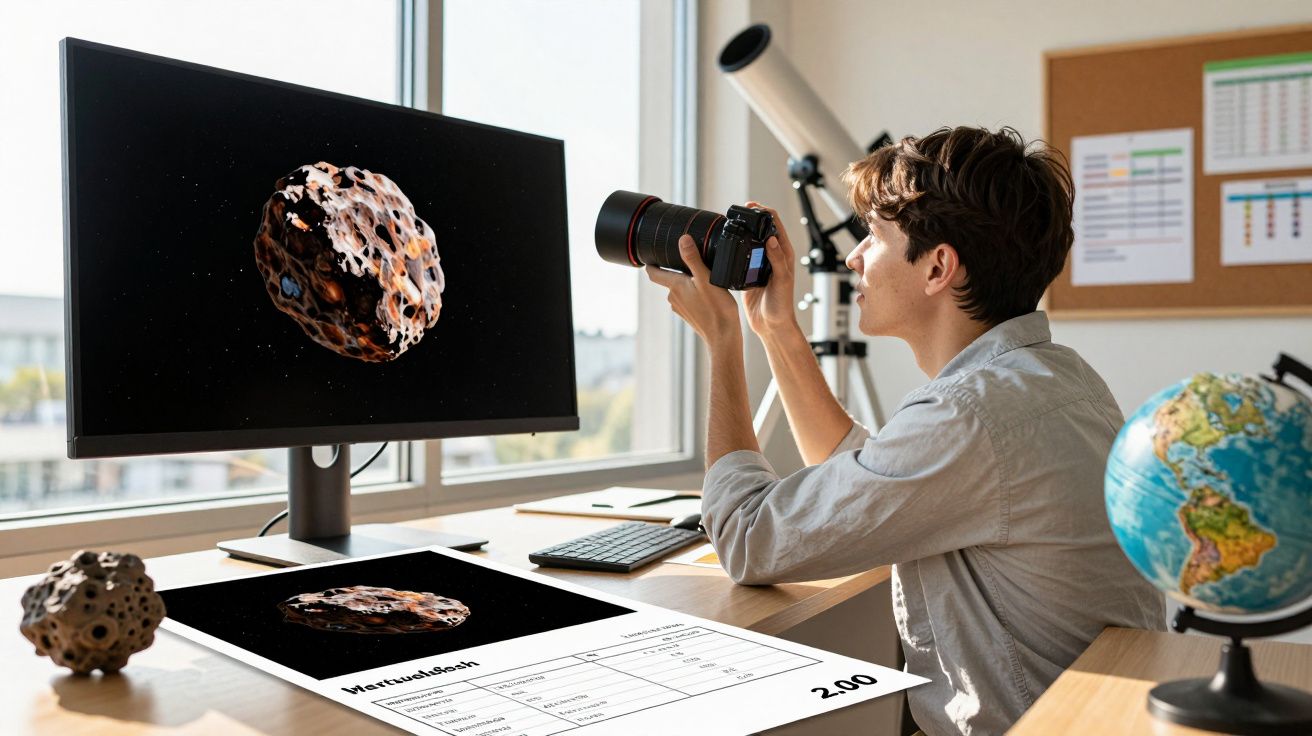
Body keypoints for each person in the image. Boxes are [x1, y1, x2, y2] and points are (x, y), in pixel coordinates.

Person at [644, 126, 1165, 736]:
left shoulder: (969, 415)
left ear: (939, 266)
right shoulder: (1054, 379)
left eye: (874, 236)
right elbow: (867, 476)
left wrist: (722, 343)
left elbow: (746, 536)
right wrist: (775, 330)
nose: (853, 258)